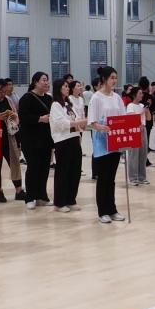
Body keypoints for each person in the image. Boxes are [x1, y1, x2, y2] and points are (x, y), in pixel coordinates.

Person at [87, 66, 126, 225]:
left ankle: (112, 209)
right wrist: (103, 128)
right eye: (112, 78)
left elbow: (123, 118)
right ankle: (102, 211)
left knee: (111, 178)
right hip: (102, 142)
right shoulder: (96, 98)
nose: (114, 81)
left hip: (115, 142)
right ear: (104, 79)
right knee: (103, 178)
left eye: (115, 78)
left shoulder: (117, 97)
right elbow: (92, 122)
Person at [18, 72, 54, 209]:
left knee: (44, 169)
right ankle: (30, 197)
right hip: (30, 140)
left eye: (47, 80)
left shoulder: (49, 98)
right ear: (35, 82)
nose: (46, 82)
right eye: (43, 80)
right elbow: (23, 117)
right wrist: (39, 119)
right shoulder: (27, 98)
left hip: (46, 139)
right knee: (33, 168)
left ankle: (42, 197)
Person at [50, 79, 87, 211]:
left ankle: (71, 199)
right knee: (63, 172)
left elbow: (76, 119)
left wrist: (82, 122)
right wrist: (76, 123)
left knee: (75, 171)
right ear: (59, 88)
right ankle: (60, 202)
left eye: (67, 86)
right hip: (63, 141)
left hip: (74, 139)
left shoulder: (68, 104)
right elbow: (59, 123)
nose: (67, 88)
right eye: (65, 86)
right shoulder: (55, 105)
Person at [125, 86, 150, 185]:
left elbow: (148, 118)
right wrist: (143, 110)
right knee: (134, 154)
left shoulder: (142, 105)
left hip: (143, 129)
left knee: (143, 153)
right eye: (140, 93)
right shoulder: (130, 106)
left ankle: (142, 177)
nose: (142, 95)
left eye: (142, 93)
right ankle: (133, 177)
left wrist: (147, 109)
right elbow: (133, 118)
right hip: (134, 130)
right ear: (134, 95)